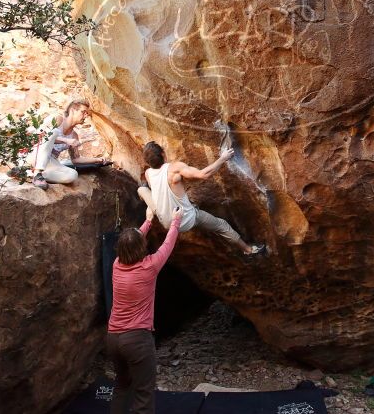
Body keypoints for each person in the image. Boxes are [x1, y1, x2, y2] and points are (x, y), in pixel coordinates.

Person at [107, 206, 182, 414]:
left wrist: (148, 221)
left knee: (122, 385)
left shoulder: (116, 265)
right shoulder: (149, 266)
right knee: (144, 393)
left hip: (113, 337)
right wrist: (176, 221)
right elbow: (168, 245)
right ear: (142, 247)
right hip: (137, 339)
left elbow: (132, 243)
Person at [138, 141, 266, 256]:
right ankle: (248, 250)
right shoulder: (174, 169)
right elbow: (202, 174)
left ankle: (149, 207)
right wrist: (223, 158)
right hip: (185, 220)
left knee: (142, 189)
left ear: (148, 162)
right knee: (222, 225)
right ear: (163, 154)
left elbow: (156, 191)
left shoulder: (148, 174)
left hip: (165, 221)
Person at [26, 99, 106, 189]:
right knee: (54, 132)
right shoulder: (57, 119)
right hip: (34, 156)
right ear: (72, 110)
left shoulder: (74, 135)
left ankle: (30, 174)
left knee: (73, 175)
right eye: (83, 112)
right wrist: (65, 140)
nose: (86, 115)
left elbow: (76, 159)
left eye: (87, 113)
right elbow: (37, 137)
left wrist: (97, 160)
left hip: (51, 162)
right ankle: (36, 173)